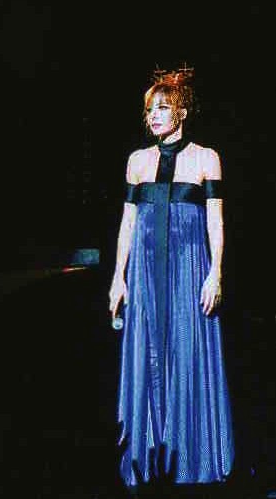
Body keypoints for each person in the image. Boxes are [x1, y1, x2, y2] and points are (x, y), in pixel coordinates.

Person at [108, 67, 233, 488]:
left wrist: (216, 272)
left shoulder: (206, 157)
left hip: (189, 269)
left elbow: (215, 220)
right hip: (144, 273)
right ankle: (146, 458)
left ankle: (189, 458)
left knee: (186, 349)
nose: (154, 117)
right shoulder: (137, 161)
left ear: (182, 111)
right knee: (148, 353)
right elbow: (128, 221)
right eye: (149, 111)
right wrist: (117, 278)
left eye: (162, 108)